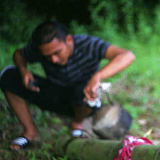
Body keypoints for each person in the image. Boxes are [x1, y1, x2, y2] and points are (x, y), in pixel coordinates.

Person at [0, 21, 136, 150]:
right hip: (54, 94)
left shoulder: (88, 44)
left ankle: (77, 124)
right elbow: (18, 54)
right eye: (47, 56)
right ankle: (30, 132)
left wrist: (97, 76)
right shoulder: (40, 49)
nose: (53, 59)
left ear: (69, 40)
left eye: (57, 52)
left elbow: (127, 55)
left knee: (82, 88)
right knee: (8, 76)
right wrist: (24, 70)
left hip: (85, 100)